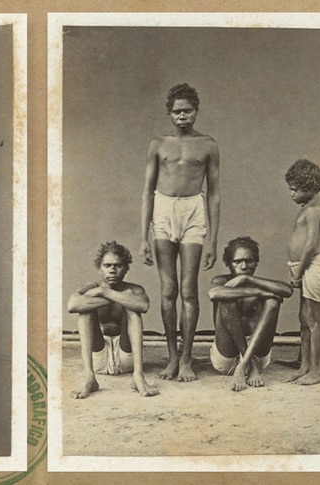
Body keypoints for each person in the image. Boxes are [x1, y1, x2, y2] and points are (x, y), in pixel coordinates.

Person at [140, 83, 220, 382]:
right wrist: (142, 237)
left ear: (196, 111)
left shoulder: (209, 145)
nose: (182, 116)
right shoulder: (158, 144)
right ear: (169, 113)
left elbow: (214, 194)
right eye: (177, 111)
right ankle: (172, 357)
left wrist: (212, 239)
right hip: (162, 210)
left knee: (188, 290)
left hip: (192, 210)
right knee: (168, 290)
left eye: (187, 111)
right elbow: (147, 191)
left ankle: (187, 359)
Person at [67, 241, 158, 399]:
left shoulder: (135, 289)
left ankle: (138, 376)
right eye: (107, 265)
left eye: (118, 266)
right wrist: (114, 297)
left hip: (126, 355)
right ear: (100, 269)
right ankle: (89, 378)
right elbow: (72, 305)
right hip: (98, 356)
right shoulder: (90, 287)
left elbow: (142, 305)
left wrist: (104, 292)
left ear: (126, 268)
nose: (112, 270)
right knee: (85, 310)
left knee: (132, 307)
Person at [208, 237, 293, 391]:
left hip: (258, 352)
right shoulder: (221, 280)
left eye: (249, 261)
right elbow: (214, 293)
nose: (244, 266)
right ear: (228, 263)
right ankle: (249, 364)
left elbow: (287, 290)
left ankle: (245, 363)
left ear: (256, 262)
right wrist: (259, 291)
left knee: (272, 302)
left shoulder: (259, 281)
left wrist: (247, 279)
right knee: (227, 299)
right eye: (237, 262)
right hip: (227, 354)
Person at [285, 159, 320, 386]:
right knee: (304, 318)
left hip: (314, 266)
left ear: (309, 186)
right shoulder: (308, 209)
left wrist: (298, 272)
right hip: (306, 267)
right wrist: (295, 269)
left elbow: (310, 246)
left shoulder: (315, 210)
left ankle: (316, 370)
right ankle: (305, 365)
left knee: (313, 320)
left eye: (294, 189)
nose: (291, 194)